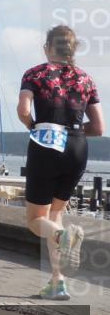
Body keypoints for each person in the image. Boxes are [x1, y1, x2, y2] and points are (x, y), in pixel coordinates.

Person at [17, 25, 103, 300]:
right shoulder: (86, 79)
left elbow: (23, 110)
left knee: (35, 220)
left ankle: (63, 238)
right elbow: (99, 127)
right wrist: (73, 132)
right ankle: (58, 282)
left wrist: (33, 126)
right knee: (55, 216)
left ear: (47, 48)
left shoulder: (35, 74)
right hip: (78, 147)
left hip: (46, 145)